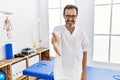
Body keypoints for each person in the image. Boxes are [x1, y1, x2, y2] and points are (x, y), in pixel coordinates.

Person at [52, 4, 90, 80]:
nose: (70, 18)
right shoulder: (58, 29)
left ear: (76, 16)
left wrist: (84, 72)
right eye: (67, 16)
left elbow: (85, 53)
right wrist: (55, 44)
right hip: (60, 73)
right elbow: (56, 39)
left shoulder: (82, 33)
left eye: (73, 16)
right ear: (64, 16)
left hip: (76, 73)